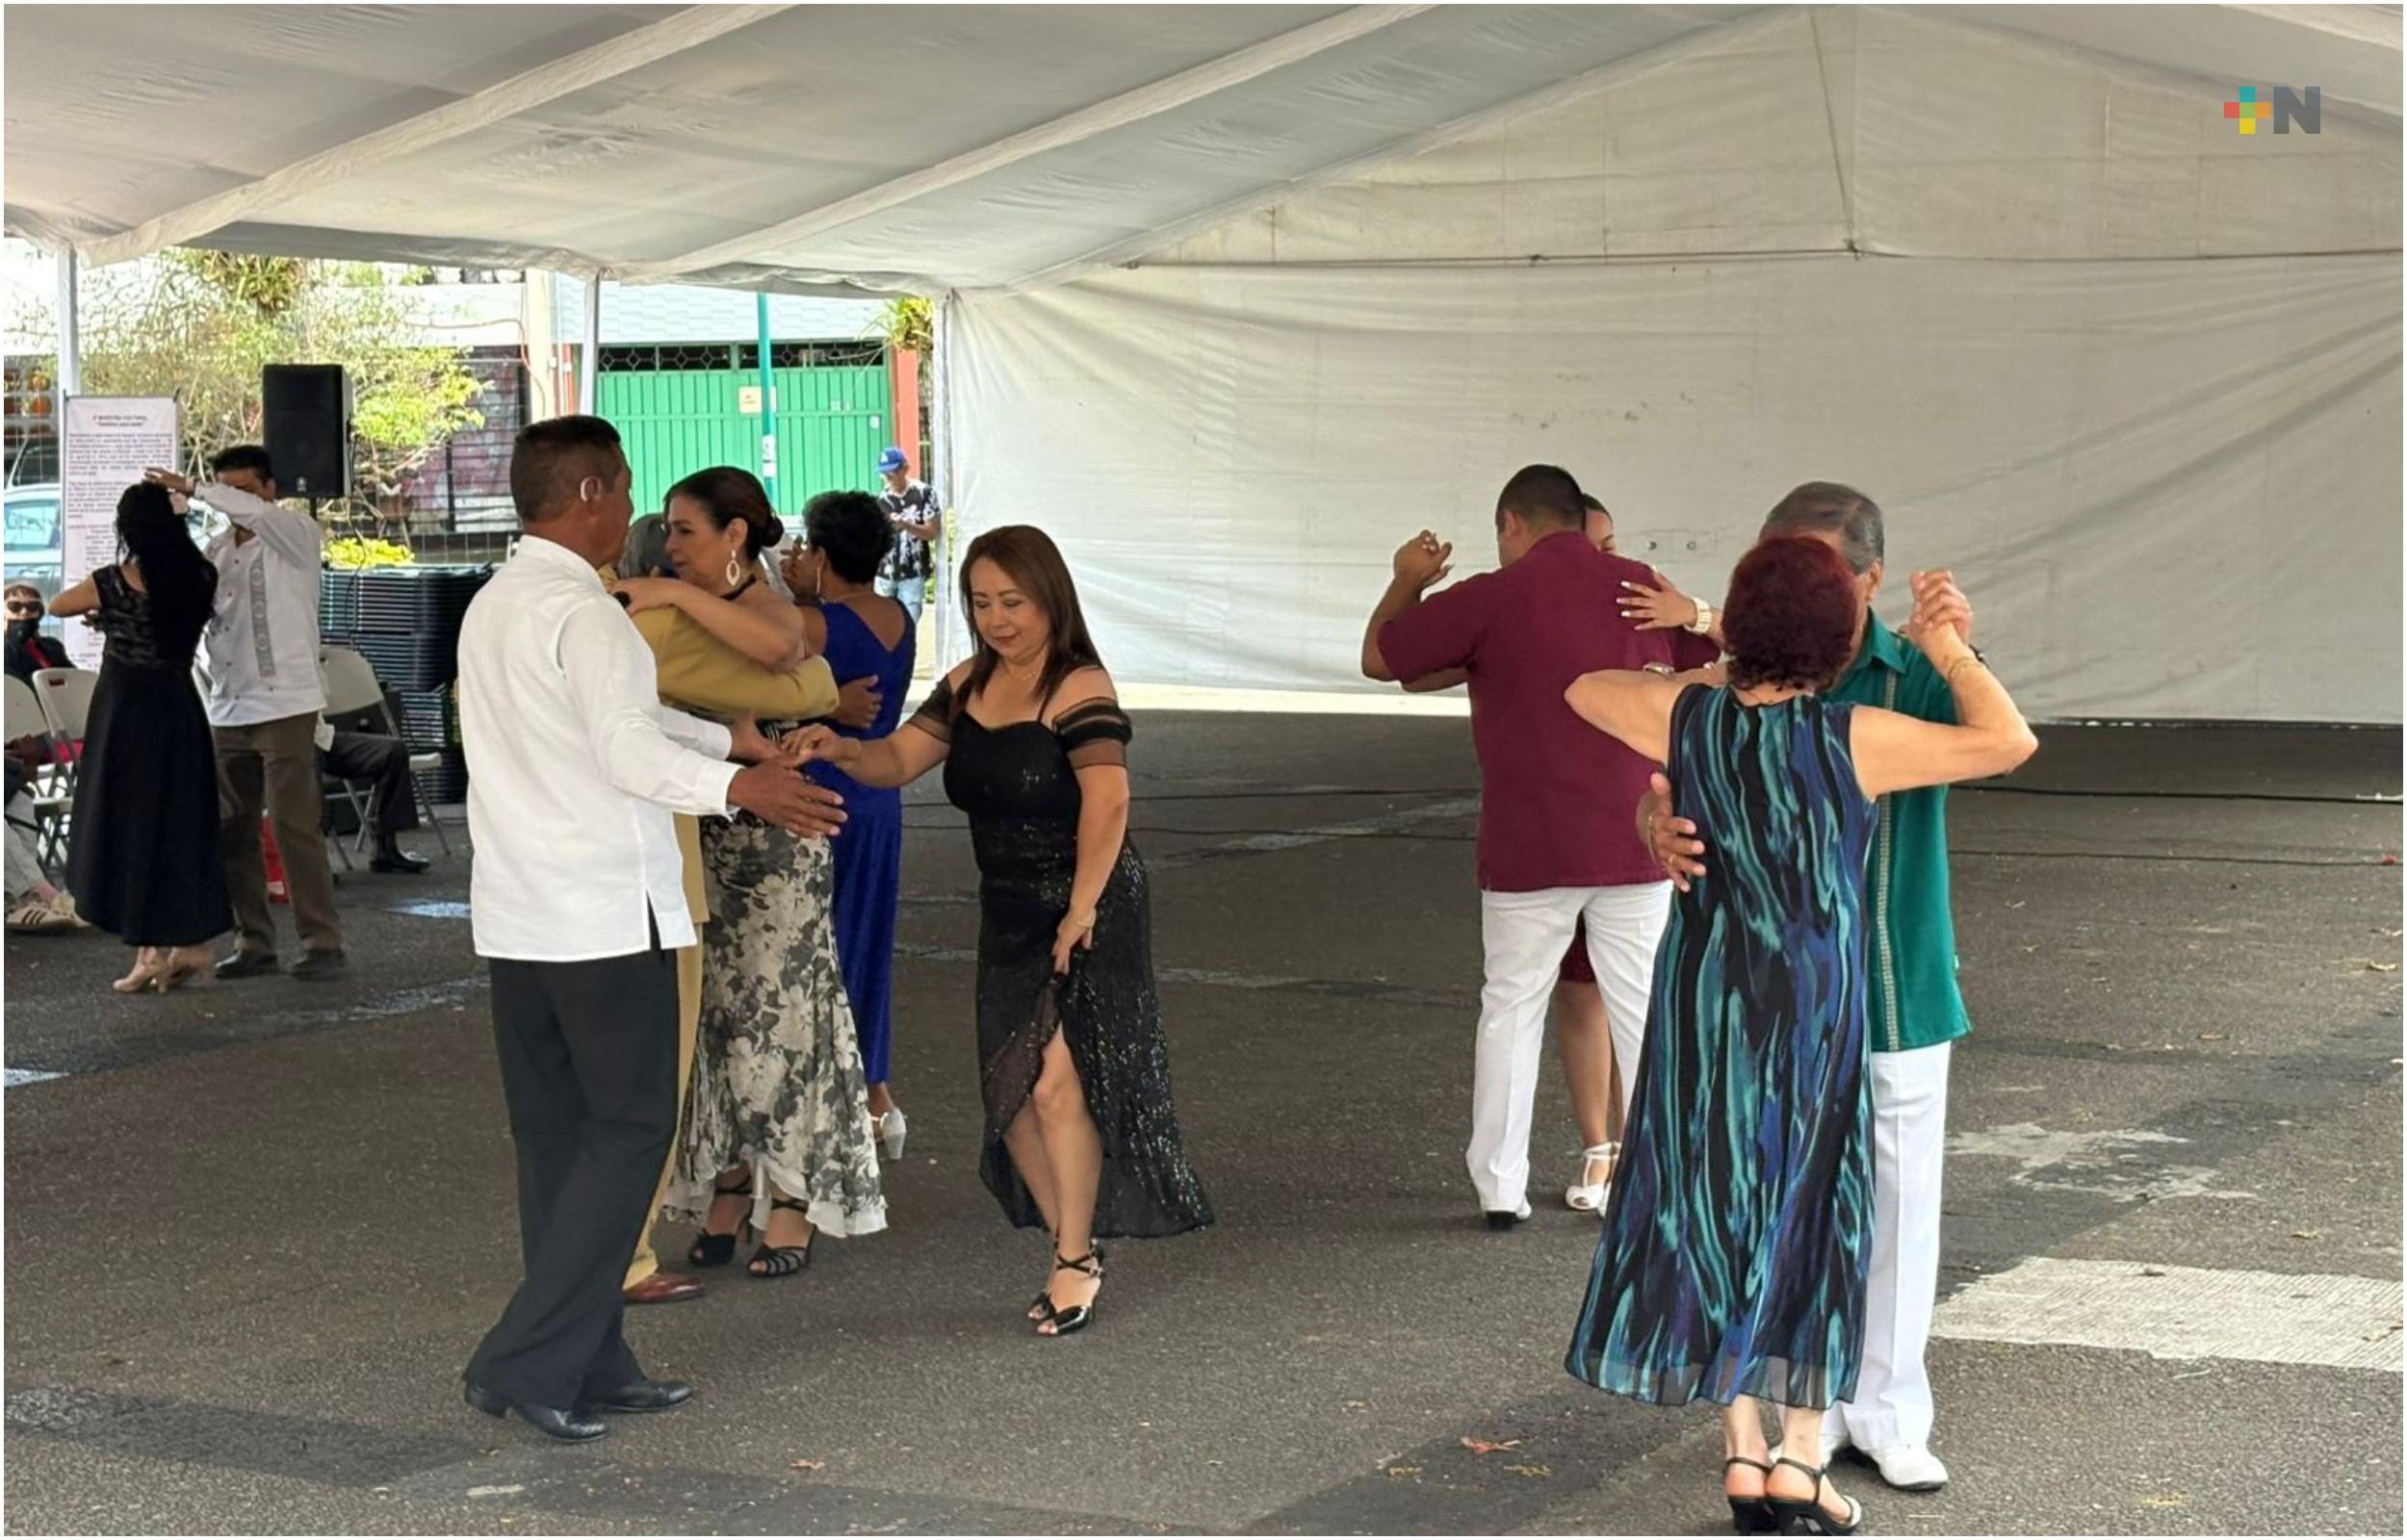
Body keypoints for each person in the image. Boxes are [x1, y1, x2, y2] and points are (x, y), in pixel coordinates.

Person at [1560, 534, 2034, 1537]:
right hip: (1812, 1007)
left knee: (1716, 1198)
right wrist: (1946, 647)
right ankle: (1801, 1458)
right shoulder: (1853, 734)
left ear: (1742, 624)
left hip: (1702, 997)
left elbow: (1583, 690)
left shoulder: (1686, 716)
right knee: (1818, 1206)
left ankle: (1741, 1446)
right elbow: (2007, 740)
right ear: (1836, 640)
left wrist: (1709, 666)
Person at [455, 416, 843, 1443]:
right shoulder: (584, 615)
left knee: (557, 1141)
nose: (631, 512)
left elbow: (610, 723)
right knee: (629, 1134)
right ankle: (525, 1357)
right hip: (600, 914)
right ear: (589, 492)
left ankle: (589, 1359)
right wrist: (740, 783)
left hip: (521, 915)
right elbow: (626, 751)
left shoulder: (498, 602)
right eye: (623, 489)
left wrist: (722, 737)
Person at [1637, 484, 1979, 1493]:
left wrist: (1953, 646)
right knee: (1777, 1205)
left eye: (1824, 569)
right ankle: (1804, 1416)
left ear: (1870, 579)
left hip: (1889, 975)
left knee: (1898, 1203)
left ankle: (1888, 1408)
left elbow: (1999, 732)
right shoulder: (1729, 681)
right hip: (1766, 999)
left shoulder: (1909, 673)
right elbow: (1665, 784)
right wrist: (1651, 831)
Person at [789, 526, 1213, 1336]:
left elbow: (1109, 803)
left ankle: (1075, 1256)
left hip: (1087, 902)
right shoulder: (966, 682)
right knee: (1011, 1097)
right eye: (981, 603)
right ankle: (1073, 1241)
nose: (998, 620)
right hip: (1010, 907)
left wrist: (1083, 910)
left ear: (1051, 597)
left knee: (1056, 1083)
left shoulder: (1079, 684)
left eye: (1013, 602)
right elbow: (894, 762)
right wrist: (838, 745)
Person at [1360, 465, 1691, 1229]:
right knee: (1643, 1009)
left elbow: (1384, 658)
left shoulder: (1492, 595)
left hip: (1528, 846)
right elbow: (1716, 666)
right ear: (1580, 521)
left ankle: (1501, 1188)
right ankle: (1658, 1180)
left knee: (1511, 1007)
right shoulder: (1643, 585)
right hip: (1635, 837)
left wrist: (1407, 580)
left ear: (1513, 523)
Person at [614, 468, 886, 1280]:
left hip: (778, 834)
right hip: (701, 831)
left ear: (735, 536)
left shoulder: (758, 604)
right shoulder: (658, 605)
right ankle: (729, 1177)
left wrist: (675, 600)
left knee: (783, 1010)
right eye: (665, 531)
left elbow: (786, 653)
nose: (669, 547)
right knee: (717, 1017)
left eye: (686, 530)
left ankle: (794, 1195)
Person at [147, 451, 346, 982]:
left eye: (245, 490)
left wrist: (196, 488)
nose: (236, 501)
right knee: (234, 827)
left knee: (292, 823)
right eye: (226, 489)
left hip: (288, 703)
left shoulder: (294, 534)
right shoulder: (215, 551)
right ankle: (254, 940)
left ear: (269, 489)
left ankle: (322, 942)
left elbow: (255, 516)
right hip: (229, 702)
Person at [48, 484, 234, 991]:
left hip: (126, 713)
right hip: (178, 706)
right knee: (180, 823)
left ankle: (148, 950)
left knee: (128, 824)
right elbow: (169, 618)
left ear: (129, 529)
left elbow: (59, 604)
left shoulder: (114, 581)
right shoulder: (201, 575)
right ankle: (190, 946)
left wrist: (106, 615)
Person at [785, 489, 917, 1159]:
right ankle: (875, 1091)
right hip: (879, 796)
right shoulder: (898, 614)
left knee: (818, 948)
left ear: (825, 554)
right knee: (867, 941)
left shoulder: (815, 624)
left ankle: (841, 1098)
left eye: (806, 546)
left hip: (824, 788)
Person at [320, 720, 431, 875]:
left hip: (324, 738)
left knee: (394, 750)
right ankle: (313, 861)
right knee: (304, 763)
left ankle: (385, 849)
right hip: (293, 744)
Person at [872, 447, 942, 625]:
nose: (887, 478)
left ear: (904, 469)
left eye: (891, 473)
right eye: (884, 474)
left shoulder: (924, 494)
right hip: (884, 573)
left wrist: (906, 525)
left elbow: (932, 532)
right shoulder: (880, 500)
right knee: (882, 627)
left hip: (913, 571)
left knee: (908, 626)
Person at [5, 582, 72, 681]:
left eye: (32, 606)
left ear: (39, 612)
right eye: (15, 606)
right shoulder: (5, 649)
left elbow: (73, 679)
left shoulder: (53, 646)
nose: (24, 612)